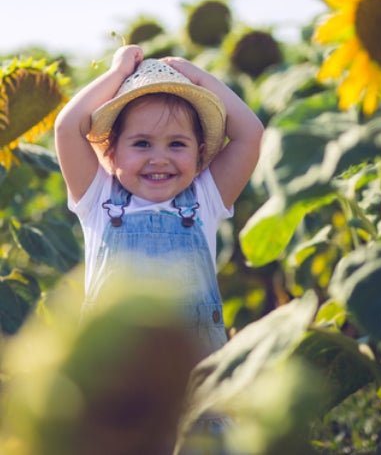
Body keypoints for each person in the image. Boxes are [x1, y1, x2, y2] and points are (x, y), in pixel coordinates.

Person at [54, 45, 263, 449]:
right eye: (142, 144)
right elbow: (67, 128)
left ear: (201, 153)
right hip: (115, 374)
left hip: (194, 377)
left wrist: (195, 76)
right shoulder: (98, 198)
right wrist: (118, 73)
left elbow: (251, 133)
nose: (159, 158)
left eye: (177, 144)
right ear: (111, 152)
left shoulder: (205, 199)